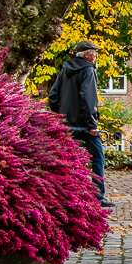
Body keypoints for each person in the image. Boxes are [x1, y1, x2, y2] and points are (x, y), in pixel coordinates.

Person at [48, 40, 111, 210]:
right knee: (97, 157)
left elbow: (53, 97)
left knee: (67, 159)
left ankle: (66, 194)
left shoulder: (65, 69)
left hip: (65, 125)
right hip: (84, 126)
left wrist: (60, 116)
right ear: (87, 55)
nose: (96, 56)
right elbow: (88, 99)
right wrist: (92, 125)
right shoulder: (88, 70)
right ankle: (98, 195)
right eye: (94, 53)